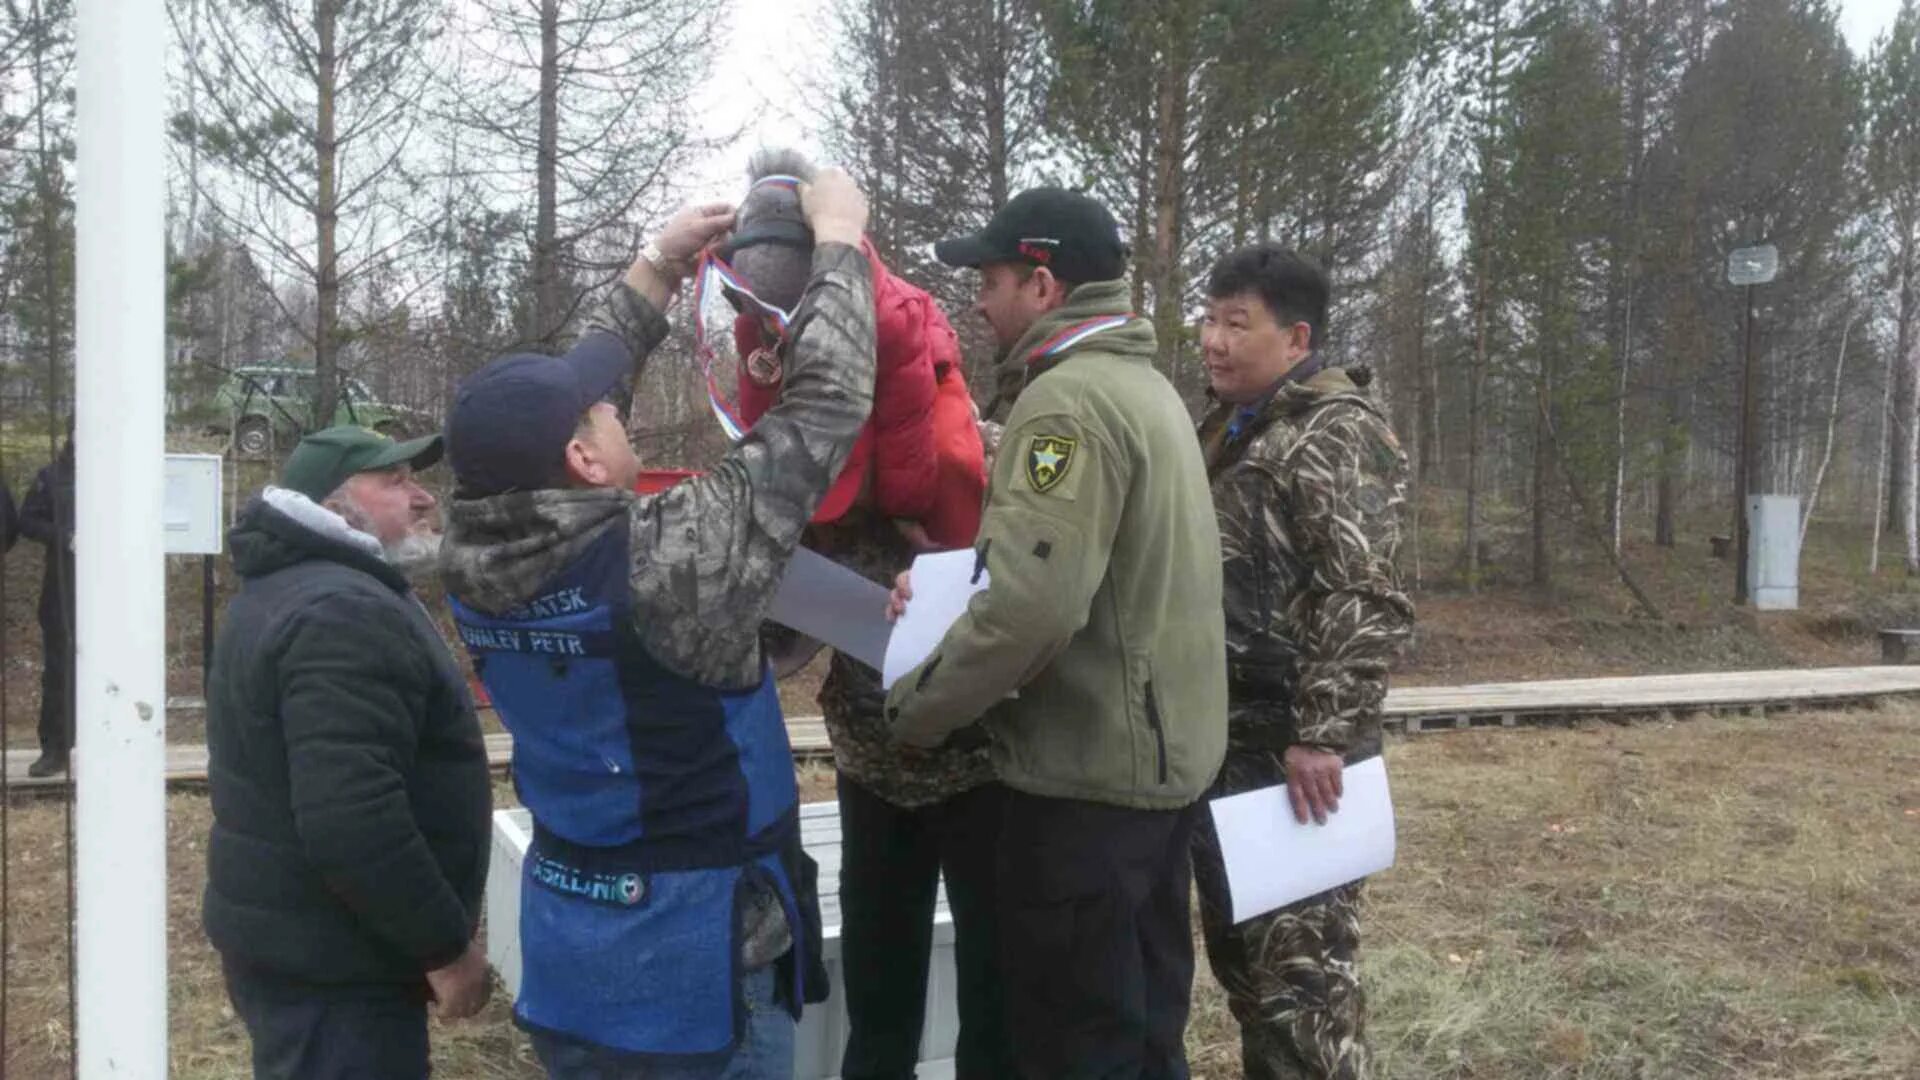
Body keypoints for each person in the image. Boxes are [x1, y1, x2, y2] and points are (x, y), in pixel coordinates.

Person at [438, 170, 873, 1079]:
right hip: (696, 963)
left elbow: (562, 432)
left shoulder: (468, 557)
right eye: (606, 410)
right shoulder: (670, 555)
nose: (616, 407)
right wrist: (838, 243)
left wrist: (656, 270)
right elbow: (823, 408)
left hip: (573, 943)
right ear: (585, 458)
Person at [883, 187, 1228, 1079]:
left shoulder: (1066, 406)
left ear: (1043, 284)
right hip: (1159, 771)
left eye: (992, 279)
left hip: (1086, 787)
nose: (980, 300)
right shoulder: (1145, 387)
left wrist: (916, 710)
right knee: (1145, 1030)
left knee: (1078, 1043)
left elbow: (1033, 608)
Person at [719, 148, 1008, 1080]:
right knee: (880, 997)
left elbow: (1033, 592)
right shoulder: (798, 452)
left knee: (991, 1001)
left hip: (980, 760)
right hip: (874, 758)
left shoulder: (982, 457)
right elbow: (782, 635)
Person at [203, 425, 494, 1080]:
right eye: (396, 483)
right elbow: (353, 815)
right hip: (334, 973)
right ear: (335, 508)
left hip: (308, 951)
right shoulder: (341, 611)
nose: (423, 499)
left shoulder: (298, 588)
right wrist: (446, 949)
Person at [1189, 244, 1413, 1080]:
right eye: (1208, 319)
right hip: (1228, 746)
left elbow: (1365, 594)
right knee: (1249, 979)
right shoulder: (1228, 428)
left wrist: (1322, 733)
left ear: (1296, 337)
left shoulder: (1336, 432)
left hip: (1300, 767)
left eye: (1236, 324)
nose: (1213, 339)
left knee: (1304, 997)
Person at [18, 426, 75, 778]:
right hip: (61, 588)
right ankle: (54, 748)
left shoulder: (120, 472)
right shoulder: (52, 476)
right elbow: (26, 521)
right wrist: (64, 537)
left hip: (112, 593)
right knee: (58, 671)